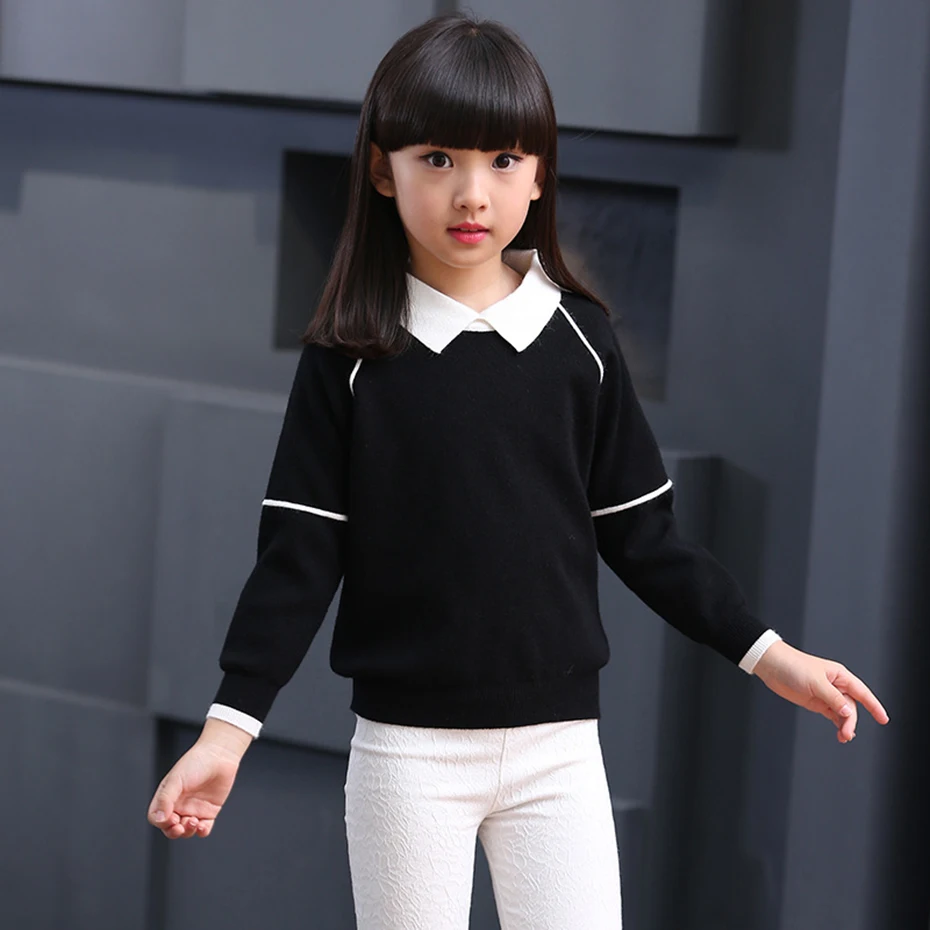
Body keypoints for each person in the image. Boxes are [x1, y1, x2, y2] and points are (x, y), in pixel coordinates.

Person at [146, 13, 888, 929]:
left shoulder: (582, 340)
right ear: (382, 170)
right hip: (408, 758)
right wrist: (228, 731)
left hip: (559, 756)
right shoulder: (348, 361)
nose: (472, 194)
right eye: (437, 158)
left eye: (503, 160)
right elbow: (297, 560)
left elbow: (646, 540)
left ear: (539, 173)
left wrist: (772, 658)